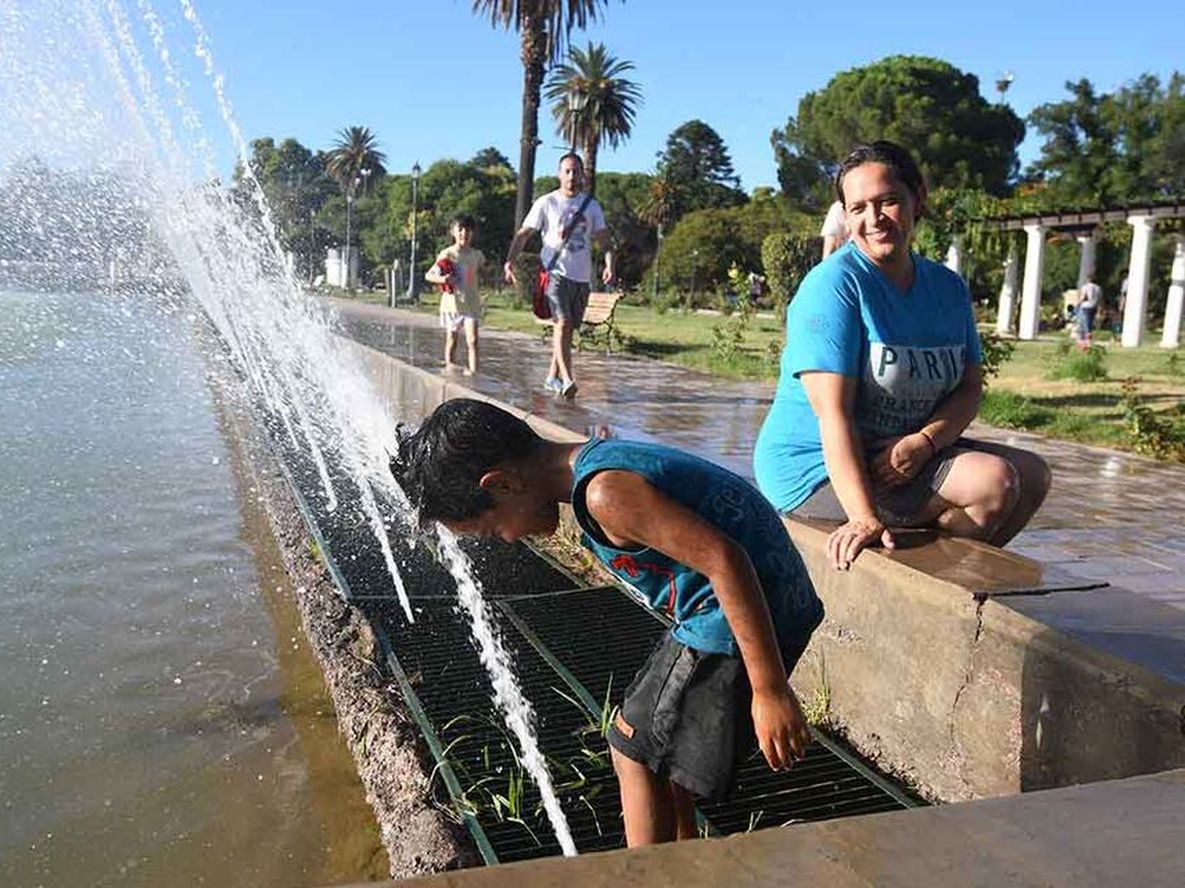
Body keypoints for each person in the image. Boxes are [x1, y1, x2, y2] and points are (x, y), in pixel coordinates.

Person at [391, 398, 823, 847]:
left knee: (631, 748)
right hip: (756, 605)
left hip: (734, 619)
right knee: (657, 748)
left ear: (501, 484)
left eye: (493, 531)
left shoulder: (605, 495)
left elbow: (725, 560)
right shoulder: (600, 461)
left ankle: (640, 874)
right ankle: (682, 861)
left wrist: (769, 690)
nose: (509, 539)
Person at [753, 140, 1051, 571]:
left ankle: (951, 585)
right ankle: (939, 593)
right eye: (858, 208)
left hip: (902, 452)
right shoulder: (833, 286)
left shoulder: (947, 288)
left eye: (888, 201)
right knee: (993, 482)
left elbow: (969, 388)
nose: (873, 219)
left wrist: (926, 441)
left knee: (1033, 473)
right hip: (816, 466)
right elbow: (832, 415)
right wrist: (862, 517)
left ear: (917, 199)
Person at [504, 153, 614, 399]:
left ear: (583, 174)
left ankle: (551, 377)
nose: (572, 176)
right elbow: (523, 234)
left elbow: (605, 240)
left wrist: (609, 264)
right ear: (559, 173)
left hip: (581, 278)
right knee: (562, 323)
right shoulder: (547, 203)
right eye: (567, 171)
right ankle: (567, 378)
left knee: (566, 330)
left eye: (576, 171)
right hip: (554, 274)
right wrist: (510, 260)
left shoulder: (592, 206)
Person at [425, 214, 485, 376]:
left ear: (472, 233)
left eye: (468, 230)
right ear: (453, 232)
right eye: (460, 230)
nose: (464, 233)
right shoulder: (447, 254)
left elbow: (482, 272)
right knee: (452, 338)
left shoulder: (477, 255)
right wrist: (442, 278)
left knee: (473, 340)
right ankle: (450, 368)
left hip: (471, 303)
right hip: (452, 304)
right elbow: (429, 275)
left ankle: (474, 373)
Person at [1076, 274, 1102, 347]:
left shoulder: (1085, 287)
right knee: (1090, 321)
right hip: (1094, 306)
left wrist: (1078, 303)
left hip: (1086, 306)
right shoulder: (1098, 288)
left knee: (1085, 322)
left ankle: (1085, 339)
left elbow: (1084, 297)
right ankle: (1089, 337)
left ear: (1088, 279)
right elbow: (1100, 298)